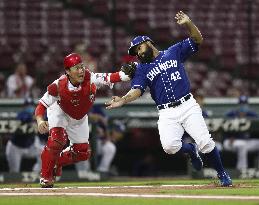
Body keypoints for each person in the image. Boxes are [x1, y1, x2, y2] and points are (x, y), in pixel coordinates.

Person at [105, 11, 232, 186]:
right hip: (166, 112)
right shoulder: (142, 69)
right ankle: (190, 149)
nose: (138, 53)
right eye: (136, 52)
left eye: (139, 48)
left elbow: (197, 39)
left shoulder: (173, 51)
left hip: (187, 105)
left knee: (205, 142)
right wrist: (123, 100)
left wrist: (188, 23)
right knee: (169, 147)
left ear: (148, 43)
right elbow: (137, 90)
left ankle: (223, 174)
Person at [34, 53, 134, 188]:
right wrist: (40, 121)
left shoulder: (90, 78)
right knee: (58, 140)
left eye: (82, 67)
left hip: (79, 117)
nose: (81, 71)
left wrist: (126, 75)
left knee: (82, 153)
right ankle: (46, 177)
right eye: (76, 68)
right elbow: (41, 106)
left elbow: (110, 77)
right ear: (68, 71)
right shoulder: (57, 86)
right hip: (60, 112)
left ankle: (55, 162)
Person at [5, 98, 44, 173]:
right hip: (15, 147)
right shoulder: (21, 114)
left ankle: (36, 171)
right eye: (27, 106)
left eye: (31, 105)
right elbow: (24, 118)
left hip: (29, 147)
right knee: (14, 172)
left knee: (44, 151)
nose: (29, 107)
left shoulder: (38, 115)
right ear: (24, 107)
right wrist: (33, 118)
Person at [223, 95, 259, 170]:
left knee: (244, 145)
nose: (243, 106)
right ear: (238, 105)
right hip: (231, 141)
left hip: (247, 142)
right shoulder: (231, 115)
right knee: (242, 146)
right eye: (241, 104)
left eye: (245, 104)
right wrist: (229, 137)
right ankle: (241, 170)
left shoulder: (252, 115)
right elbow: (223, 128)